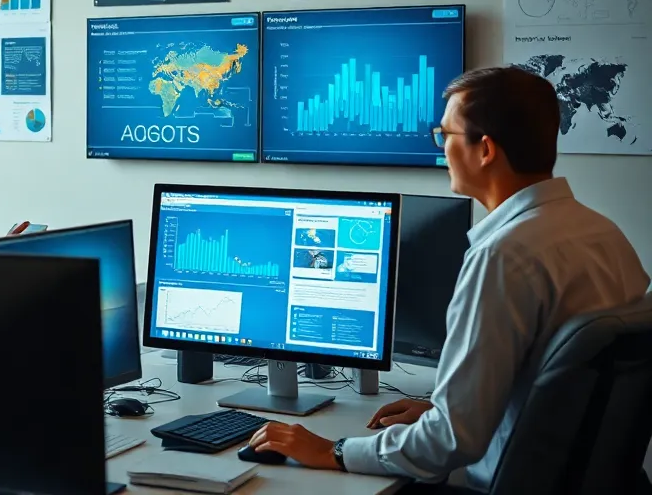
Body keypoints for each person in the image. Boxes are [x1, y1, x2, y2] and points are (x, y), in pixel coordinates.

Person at [245, 66, 649, 491]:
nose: (441, 149)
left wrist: (335, 451)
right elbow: (557, 392)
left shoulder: (503, 256)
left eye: (445, 135)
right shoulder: (602, 233)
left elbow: (451, 442)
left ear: (485, 149)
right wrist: (444, 411)